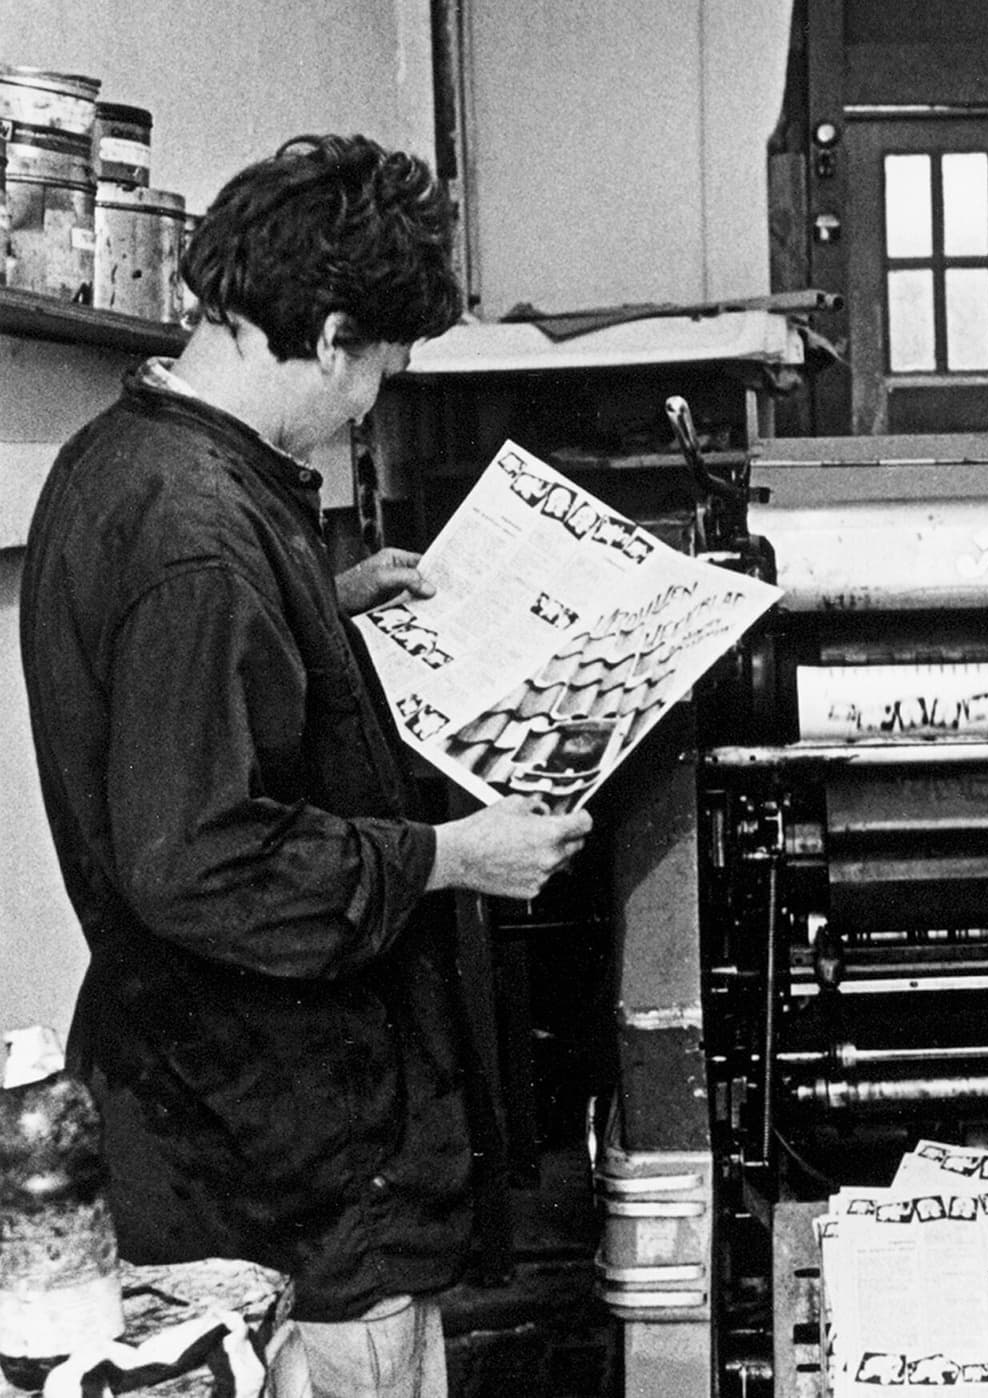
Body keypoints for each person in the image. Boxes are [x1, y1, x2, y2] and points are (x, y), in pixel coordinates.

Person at [19, 134, 593, 1398]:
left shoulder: (120, 461)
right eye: (380, 365)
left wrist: (322, 609)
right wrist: (450, 855)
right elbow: (199, 858)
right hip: (283, 1158)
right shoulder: (203, 540)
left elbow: (167, 694)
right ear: (332, 334)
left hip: (197, 1111)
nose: (370, 402)